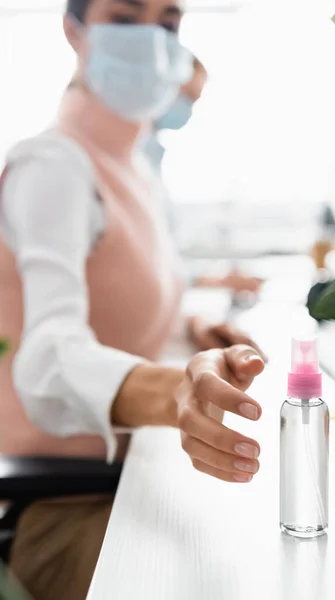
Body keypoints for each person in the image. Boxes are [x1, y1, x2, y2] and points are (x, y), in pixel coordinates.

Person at [0, 1, 266, 598]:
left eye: (168, 22)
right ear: (74, 32)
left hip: (139, 476)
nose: (150, 39)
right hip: (71, 502)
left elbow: (136, 303)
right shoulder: (52, 165)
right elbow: (45, 351)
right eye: (124, 16)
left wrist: (194, 329)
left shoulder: (132, 170)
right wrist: (171, 390)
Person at [143, 55, 265, 294]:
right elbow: (140, 263)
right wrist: (217, 282)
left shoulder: (152, 156)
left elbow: (161, 259)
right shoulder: (135, 157)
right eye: (186, 98)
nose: (187, 109)